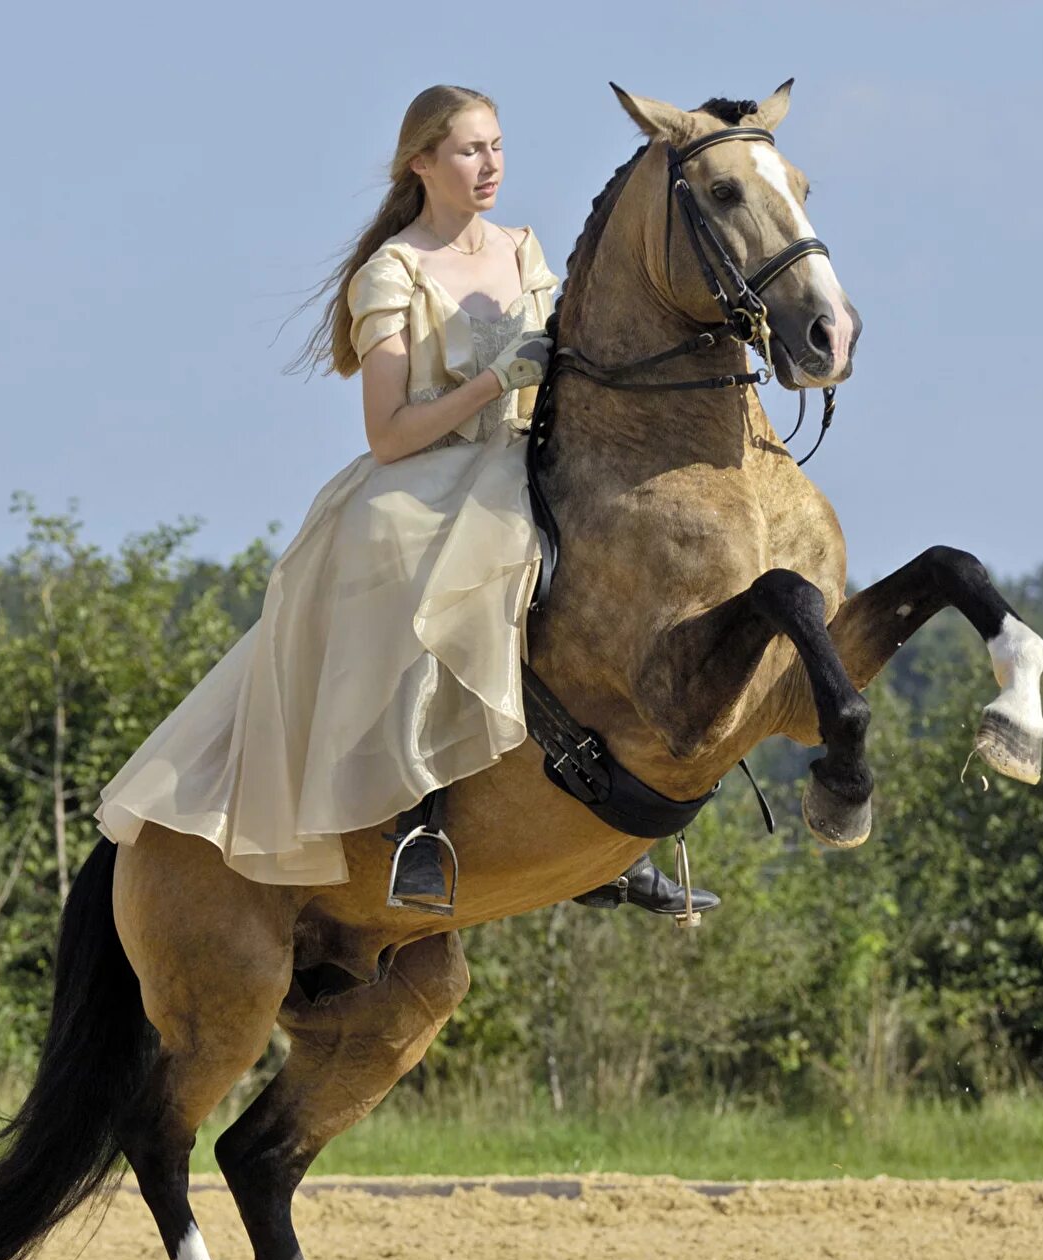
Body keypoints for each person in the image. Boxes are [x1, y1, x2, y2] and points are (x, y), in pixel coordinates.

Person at [93, 84, 716, 919]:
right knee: (411, 557)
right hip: (429, 470)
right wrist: (497, 380)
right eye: (468, 150)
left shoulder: (526, 249)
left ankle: (611, 837)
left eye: (496, 145)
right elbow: (388, 433)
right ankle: (418, 827)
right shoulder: (392, 276)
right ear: (421, 162)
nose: (489, 164)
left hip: (531, 453)